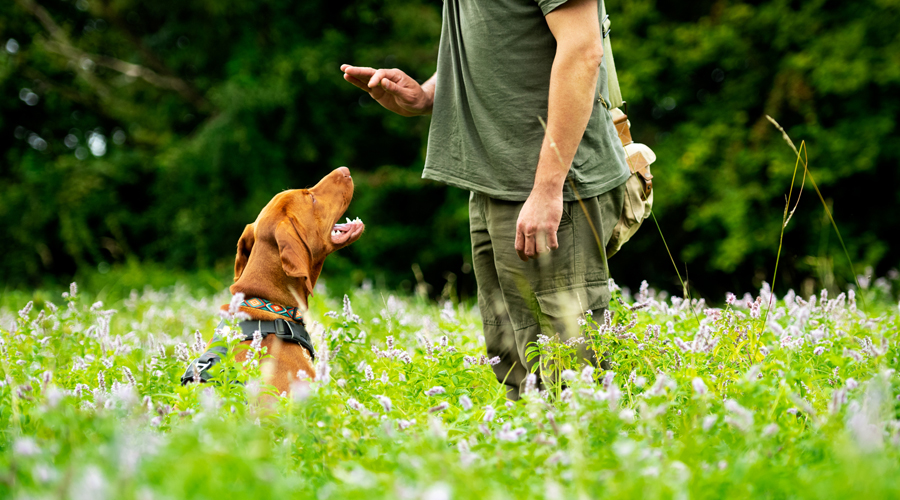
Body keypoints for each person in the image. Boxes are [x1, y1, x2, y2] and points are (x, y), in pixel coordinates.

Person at [341, 0, 630, 399]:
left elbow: (583, 49)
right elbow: (502, 39)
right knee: (516, 374)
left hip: (550, 187)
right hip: (496, 185)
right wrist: (427, 94)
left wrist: (547, 189)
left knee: (575, 381)